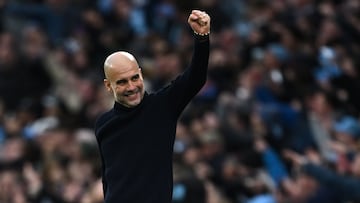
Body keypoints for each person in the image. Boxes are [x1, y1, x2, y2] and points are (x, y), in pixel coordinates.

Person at [94, 10, 211, 203]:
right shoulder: (103, 124)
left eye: (134, 78)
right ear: (108, 85)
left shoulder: (162, 106)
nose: (132, 87)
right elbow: (109, 179)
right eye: (122, 82)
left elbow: (196, 77)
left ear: (141, 74)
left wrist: (202, 37)